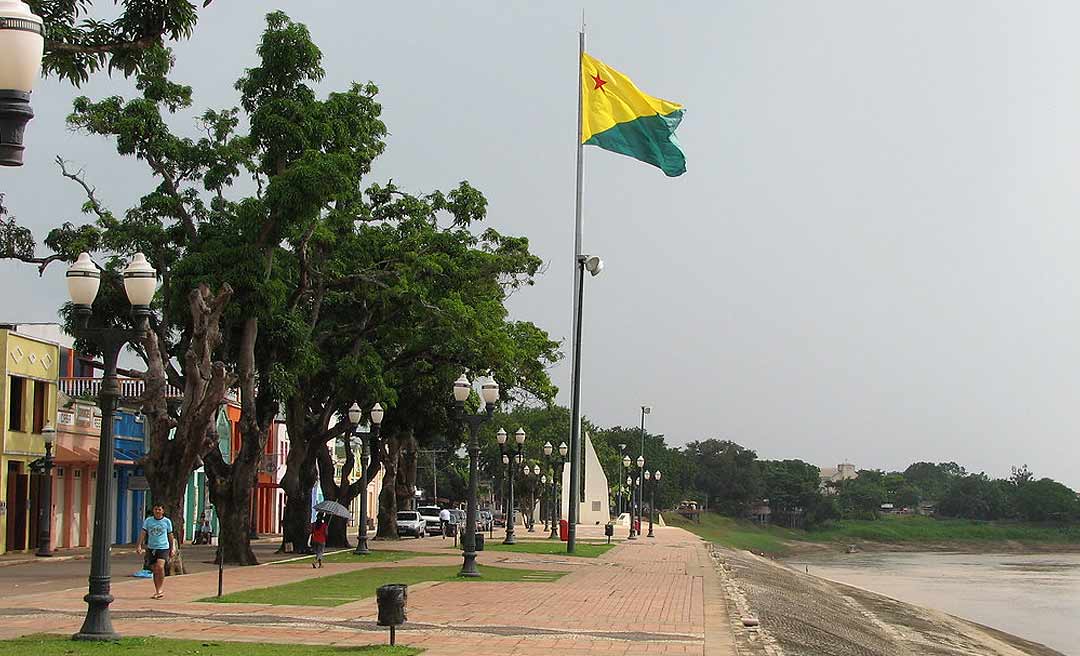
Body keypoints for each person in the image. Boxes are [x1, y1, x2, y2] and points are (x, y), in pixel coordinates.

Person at [136, 503, 175, 600]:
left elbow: (170, 536)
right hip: (151, 548)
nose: (157, 511)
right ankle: (157, 590)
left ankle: (160, 589)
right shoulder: (148, 521)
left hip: (163, 548)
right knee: (155, 570)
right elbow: (143, 533)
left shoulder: (167, 522)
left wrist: (172, 548)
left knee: (160, 567)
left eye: (159, 509)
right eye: (156, 509)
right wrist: (139, 545)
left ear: (163, 511)